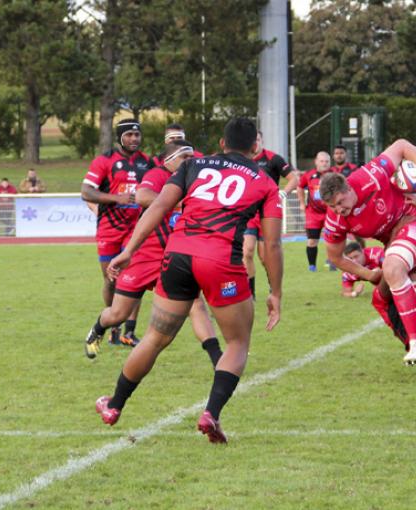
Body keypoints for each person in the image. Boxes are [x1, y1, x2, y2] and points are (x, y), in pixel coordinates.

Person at [95, 117, 284, 444]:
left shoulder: (194, 165)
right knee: (238, 343)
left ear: (222, 144)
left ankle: (114, 404)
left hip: (177, 256)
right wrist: (276, 292)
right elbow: (273, 244)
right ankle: (211, 413)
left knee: (154, 338)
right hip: (220, 261)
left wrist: (129, 250)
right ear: (256, 146)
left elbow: (158, 206)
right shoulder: (266, 182)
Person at [83, 141, 224, 369]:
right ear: (169, 161)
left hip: (174, 257)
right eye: (185, 157)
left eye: (192, 156)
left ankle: (217, 358)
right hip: (143, 257)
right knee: (118, 314)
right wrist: (179, 203)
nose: (191, 161)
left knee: (195, 305)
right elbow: (142, 196)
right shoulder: (157, 174)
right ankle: (98, 328)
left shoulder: (196, 180)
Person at [319, 138, 416, 366]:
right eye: (332, 207)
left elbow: (402, 145)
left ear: (348, 188)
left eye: (340, 202)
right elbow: (335, 257)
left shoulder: (369, 176)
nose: (338, 210)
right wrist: (369, 275)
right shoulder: (336, 219)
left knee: (393, 267)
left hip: (415, 221)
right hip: (396, 243)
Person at [82, 119, 151, 347]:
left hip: (135, 230)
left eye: (137, 135)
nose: (134, 139)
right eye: (129, 135)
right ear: (120, 137)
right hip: (109, 229)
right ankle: (114, 325)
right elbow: (86, 192)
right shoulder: (105, 160)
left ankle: (128, 331)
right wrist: (116, 198)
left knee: (133, 280)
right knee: (111, 280)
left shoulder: (147, 163)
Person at [243, 130, 297, 299]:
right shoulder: (242, 160)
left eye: (257, 140)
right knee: (247, 251)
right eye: (252, 141)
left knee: (265, 257)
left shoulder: (273, 159)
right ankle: (250, 294)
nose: (255, 144)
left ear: (261, 141)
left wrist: (283, 193)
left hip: (268, 213)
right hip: (249, 212)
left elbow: (294, 178)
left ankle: (273, 289)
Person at [295, 151, 334, 272]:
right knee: (312, 241)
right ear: (316, 162)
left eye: (327, 161)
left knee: (333, 239)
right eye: (322, 161)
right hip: (313, 213)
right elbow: (299, 186)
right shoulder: (308, 175)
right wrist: (301, 203)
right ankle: (312, 266)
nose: (324, 163)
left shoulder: (335, 175)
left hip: (331, 212)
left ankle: (332, 262)